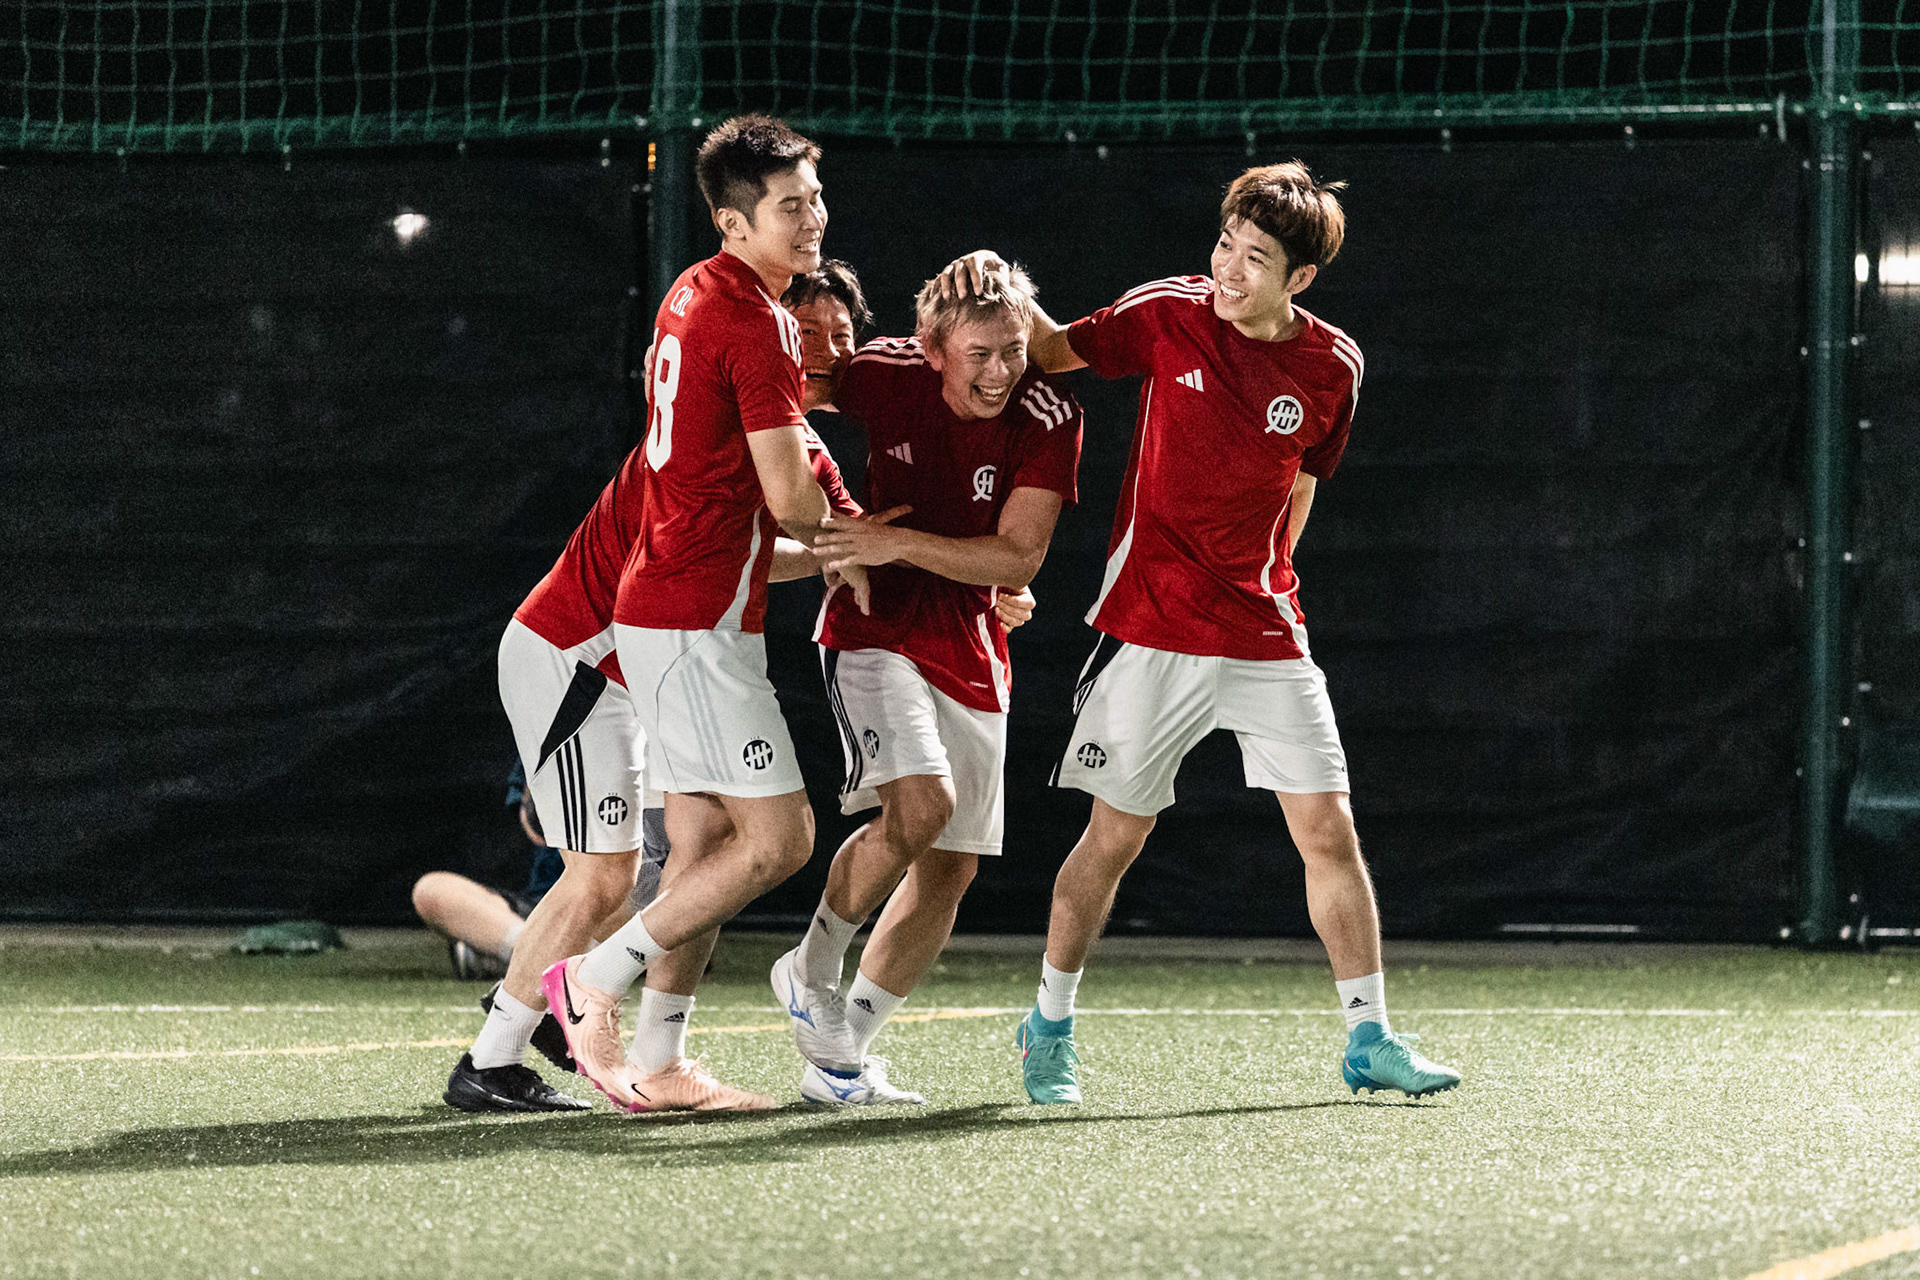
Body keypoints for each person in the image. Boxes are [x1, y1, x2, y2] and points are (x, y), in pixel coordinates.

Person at [945, 161, 1461, 1104]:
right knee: (1115, 838)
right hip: (1154, 627)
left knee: (1329, 833)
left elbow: (1301, 481)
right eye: (1225, 244)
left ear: (1299, 279)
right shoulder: (1167, 313)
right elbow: (1053, 354)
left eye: (1254, 258)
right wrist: (1008, 289)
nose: (1228, 267)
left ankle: (1370, 1036)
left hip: (1266, 630)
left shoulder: (1332, 366)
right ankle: (1048, 1026)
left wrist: (1265, 576)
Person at [444, 124, 867, 1114]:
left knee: (702, 842)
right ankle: (535, 1026)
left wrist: (847, 543)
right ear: (736, 226)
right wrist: (865, 535)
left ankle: (645, 1053)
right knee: (634, 870)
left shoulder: (696, 301)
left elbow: (770, 539)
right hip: (588, 652)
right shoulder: (754, 346)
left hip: (641, 639)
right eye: (792, 207)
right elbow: (790, 517)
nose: (830, 341)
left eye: (816, 200)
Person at [768, 263, 1083, 1106]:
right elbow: (772, 403)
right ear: (932, 349)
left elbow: (1018, 557)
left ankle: (841, 1061)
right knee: (924, 804)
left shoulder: (1050, 415)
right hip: (875, 631)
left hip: (973, 639)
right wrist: (830, 523)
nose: (999, 373)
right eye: (978, 354)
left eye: (1014, 351)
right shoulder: (886, 373)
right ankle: (809, 968)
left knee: (949, 870)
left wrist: (897, 544)